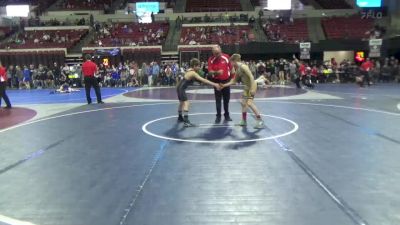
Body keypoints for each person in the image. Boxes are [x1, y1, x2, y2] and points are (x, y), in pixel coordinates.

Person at [220, 54, 264, 129]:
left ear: (234, 61)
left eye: (231, 63)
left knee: (249, 103)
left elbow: (251, 76)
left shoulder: (243, 66)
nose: (231, 65)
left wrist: (252, 89)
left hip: (252, 85)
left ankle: (260, 120)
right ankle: (244, 121)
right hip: (247, 87)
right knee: (243, 103)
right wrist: (224, 85)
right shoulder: (238, 70)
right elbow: (234, 81)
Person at [177, 58, 221, 127]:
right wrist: (215, 84)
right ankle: (186, 121)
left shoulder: (189, 70)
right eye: (198, 66)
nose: (199, 67)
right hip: (181, 88)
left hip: (179, 87)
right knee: (186, 103)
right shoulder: (193, 73)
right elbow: (204, 80)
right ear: (194, 66)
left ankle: (180, 117)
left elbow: (193, 78)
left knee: (182, 102)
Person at [208, 45, 233, 123]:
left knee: (226, 100)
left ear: (221, 51)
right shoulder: (211, 59)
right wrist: (216, 72)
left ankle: (227, 115)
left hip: (226, 81)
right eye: (215, 53)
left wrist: (232, 78)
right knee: (218, 100)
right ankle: (218, 116)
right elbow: (210, 72)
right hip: (217, 82)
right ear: (213, 53)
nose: (217, 55)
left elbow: (231, 68)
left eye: (218, 53)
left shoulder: (226, 57)